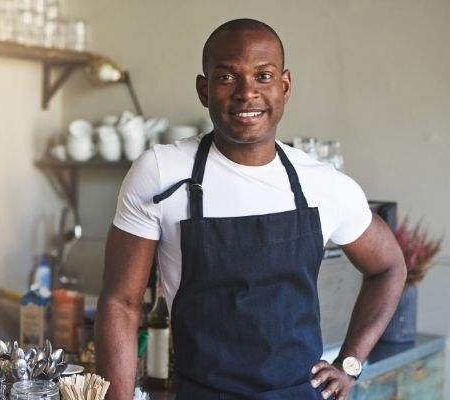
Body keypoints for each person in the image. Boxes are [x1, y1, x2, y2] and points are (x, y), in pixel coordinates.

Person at [94, 18, 406, 400]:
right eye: (227, 77)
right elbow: (121, 304)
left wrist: (350, 364)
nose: (247, 93)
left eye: (263, 76)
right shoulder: (160, 171)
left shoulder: (323, 184)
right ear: (203, 89)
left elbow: (389, 267)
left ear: (285, 86)